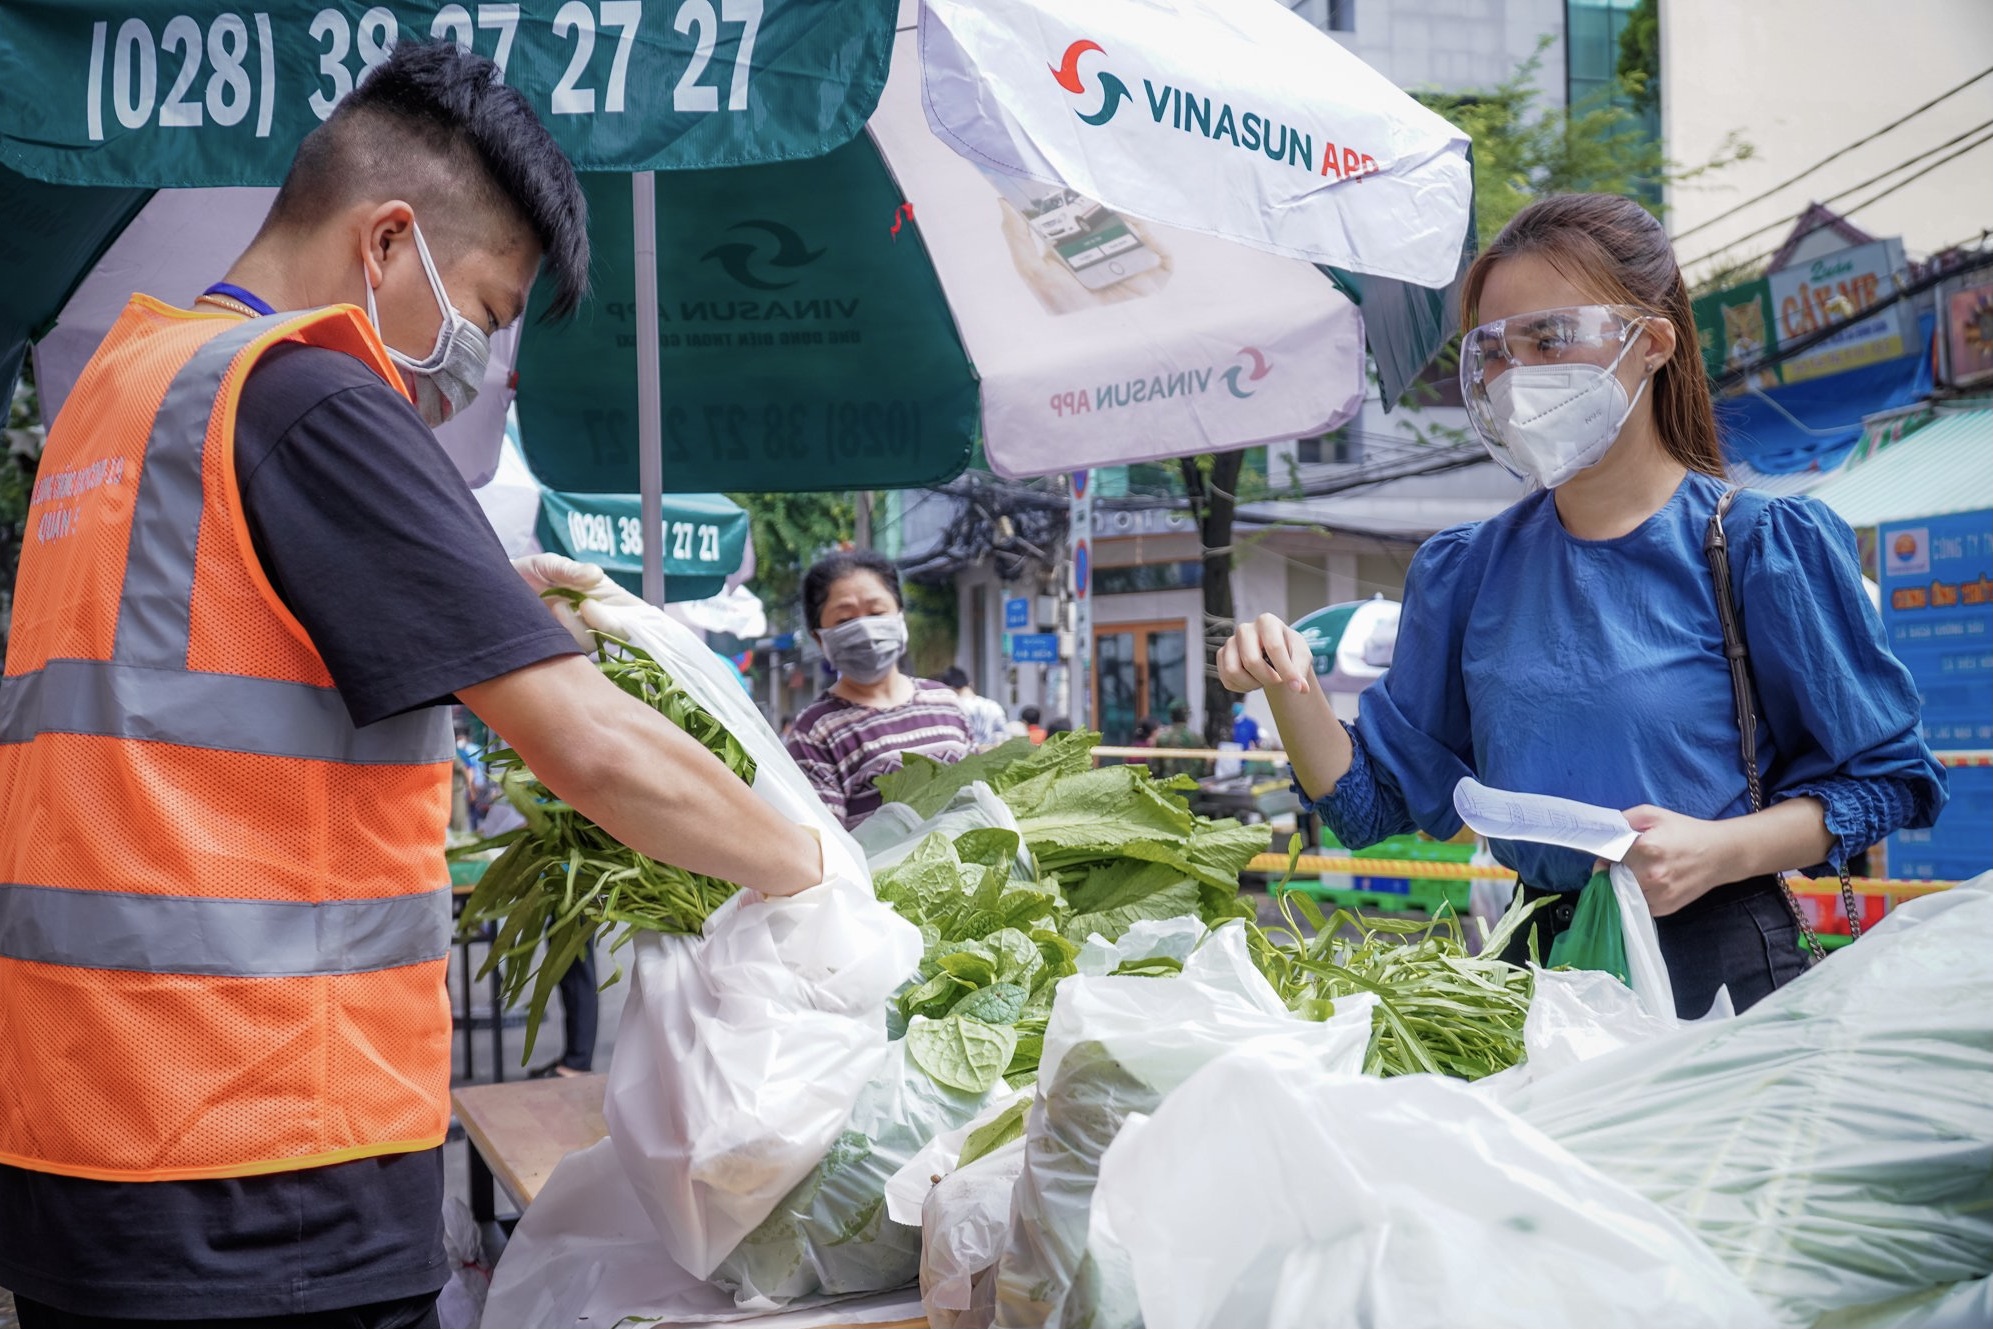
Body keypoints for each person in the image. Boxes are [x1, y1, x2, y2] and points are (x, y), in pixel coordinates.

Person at [0, 43, 825, 1329]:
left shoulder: (118, 397)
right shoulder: (309, 397)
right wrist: (818, 875)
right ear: (387, 241)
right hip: (264, 1153)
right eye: (486, 317)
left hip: (84, 1148)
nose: (471, 369)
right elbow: (590, 748)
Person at [1219, 193, 1945, 1018]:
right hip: (1536, 979)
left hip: (1719, 975)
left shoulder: (1757, 546)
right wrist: (1289, 682)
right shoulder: (1464, 570)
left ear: (1653, 344)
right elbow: (1365, 803)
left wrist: (1716, 849)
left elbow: (1893, 781)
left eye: (1549, 339)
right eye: (1493, 350)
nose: (1514, 375)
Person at [785, 550, 971, 828]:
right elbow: (827, 842)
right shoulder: (814, 732)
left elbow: (979, 794)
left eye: (876, 612)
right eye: (845, 620)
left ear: (899, 616)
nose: (866, 630)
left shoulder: (945, 702)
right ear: (819, 638)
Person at [941, 665, 1010, 750]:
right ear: (970, 684)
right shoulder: (993, 706)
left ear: (950, 688)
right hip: (990, 758)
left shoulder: (952, 709)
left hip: (964, 759)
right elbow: (1005, 737)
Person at [1152, 700, 1207, 780]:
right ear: (1187, 716)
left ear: (1171, 716)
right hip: (1190, 786)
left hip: (1168, 786)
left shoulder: (1162, 738)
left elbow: (1155, 767)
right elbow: (1204, 766)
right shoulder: (1197, 738)